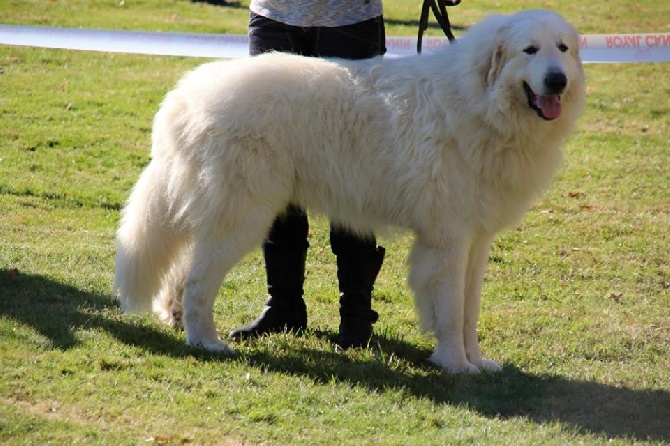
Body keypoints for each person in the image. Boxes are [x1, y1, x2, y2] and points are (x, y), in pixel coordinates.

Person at [228, 0, 387, 349]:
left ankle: (356, 313)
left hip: (349, 18)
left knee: (351, 164)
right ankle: (283, 304)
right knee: (273, 158)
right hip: (275, 14)